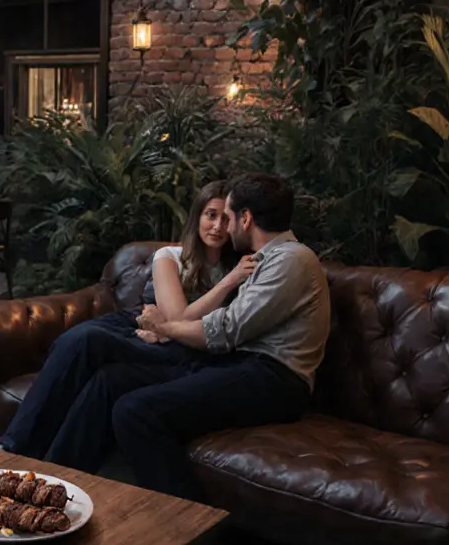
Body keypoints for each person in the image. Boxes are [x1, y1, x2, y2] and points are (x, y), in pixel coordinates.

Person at [0, 180, 252, 469]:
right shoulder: (170, 257)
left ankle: (48, 469)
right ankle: (11, 449)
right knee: (81, 340)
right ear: (197, 217)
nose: (217, 226)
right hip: (134, 328)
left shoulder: (237, 268)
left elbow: (181, 323)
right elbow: (180, 315)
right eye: (210, 215)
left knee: (106, 374)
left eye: (225, 218)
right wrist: (225, 286)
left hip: (176, 346)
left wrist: (228, 281)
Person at [116, 173, 330, 499]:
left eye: (229, 218)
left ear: (246, 219)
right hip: (241, 365)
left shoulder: (292, 259)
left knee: (136, 411)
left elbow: (227, 329)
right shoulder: (264, 259)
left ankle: (187, 528)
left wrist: (164, 327)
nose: (225, 228)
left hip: (276, 379)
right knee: (115, 378)